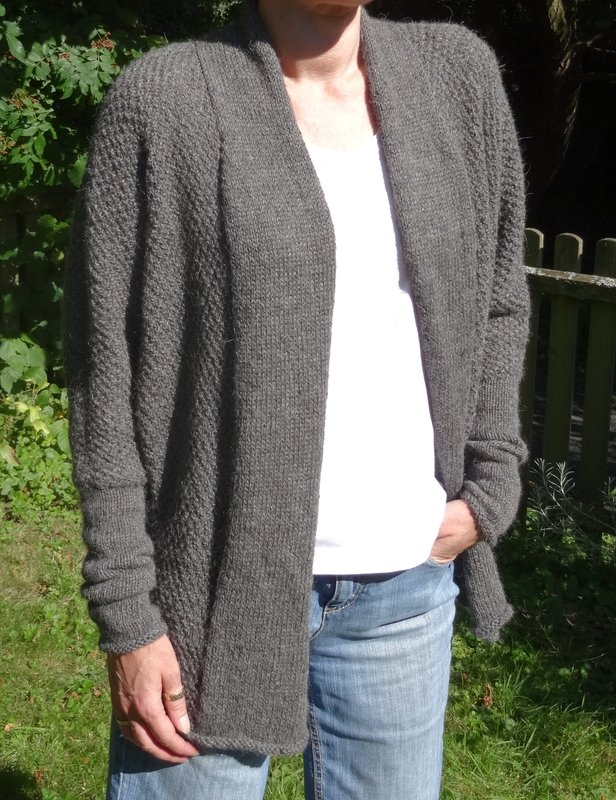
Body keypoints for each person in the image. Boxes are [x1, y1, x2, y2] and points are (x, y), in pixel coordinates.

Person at [62, 0, 530, 797]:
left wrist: (489, 487)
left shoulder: (456, 77)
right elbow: (103, 367)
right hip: (206, 599)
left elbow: (498, 298)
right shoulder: (166, 100)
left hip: (404, 587)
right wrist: (128, 613)